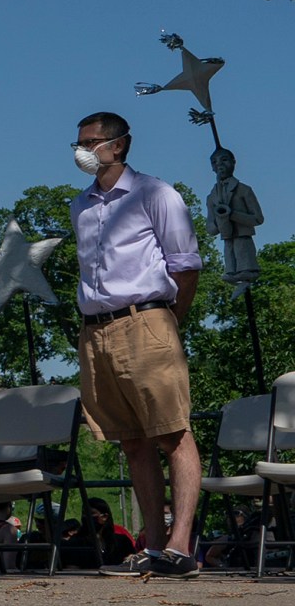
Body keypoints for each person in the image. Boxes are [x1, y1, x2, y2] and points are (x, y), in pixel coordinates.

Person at [72, 112, 204, 576]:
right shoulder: (81, 205)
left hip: (145, 318)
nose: (82, 150)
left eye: (91, 142)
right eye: (79, 141)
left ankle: (182, 545)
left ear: (119, 145)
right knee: (130, 441)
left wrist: (169, 323)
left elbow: (185, 265)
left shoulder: (156, 193)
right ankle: (153, 544)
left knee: (171, 431)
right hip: (95, 328)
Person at [207, 147, 264, 289]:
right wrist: (220, 222)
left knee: (245, 265)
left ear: (233, 162)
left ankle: (246, 273)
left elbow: (258, 219)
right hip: (228, 241)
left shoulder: (244, 190)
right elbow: (210, 228)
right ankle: (233, 273)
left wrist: (232, 214)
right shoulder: (212, 196)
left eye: (224, 160)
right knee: (230, 268)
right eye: (214, 162)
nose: (219, 165)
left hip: (243, 239)